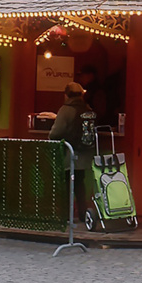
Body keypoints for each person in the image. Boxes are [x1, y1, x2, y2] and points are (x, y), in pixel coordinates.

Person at [49, 82, 94, 222]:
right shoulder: (87, 108)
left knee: (67, 183)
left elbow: (55, 133)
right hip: (85, 153)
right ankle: (82, 213)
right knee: (80, 183)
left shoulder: (66, 110)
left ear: (66, 95)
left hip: (70, 152)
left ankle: (66, 214)